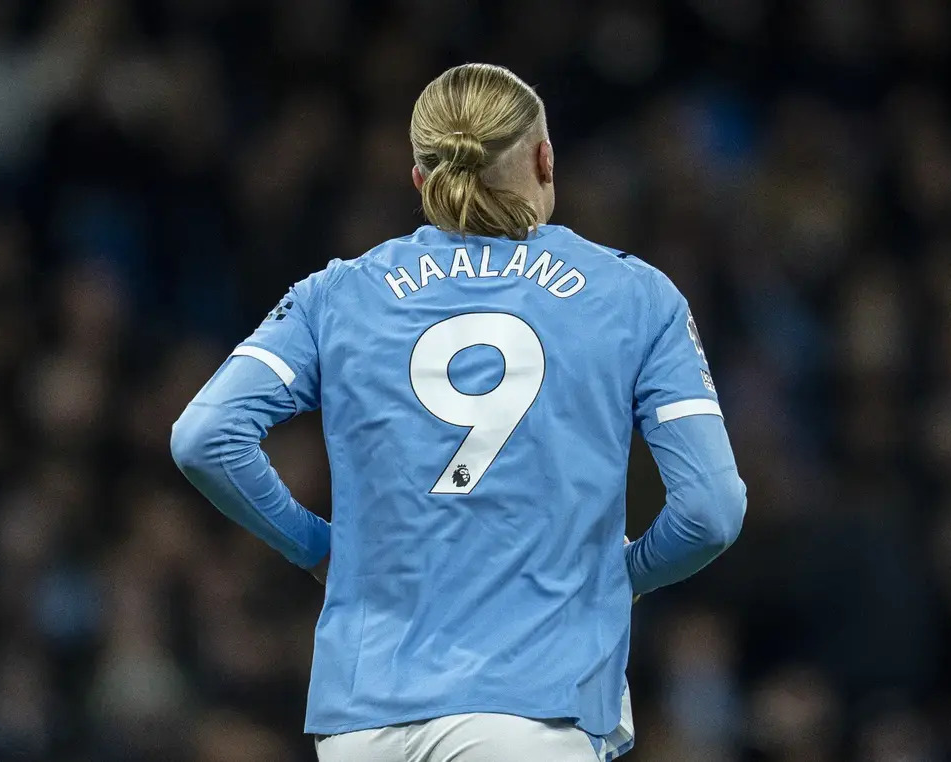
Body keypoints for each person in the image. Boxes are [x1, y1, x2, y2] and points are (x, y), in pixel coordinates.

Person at [170, 63, 746, 761]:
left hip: (364, 724)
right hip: (533, 711)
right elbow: (711, 510)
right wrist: (626, 574)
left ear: (421, 180)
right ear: (545, 159)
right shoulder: (635, 296)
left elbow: (205, 436)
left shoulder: (338, 293)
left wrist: (318, 548)